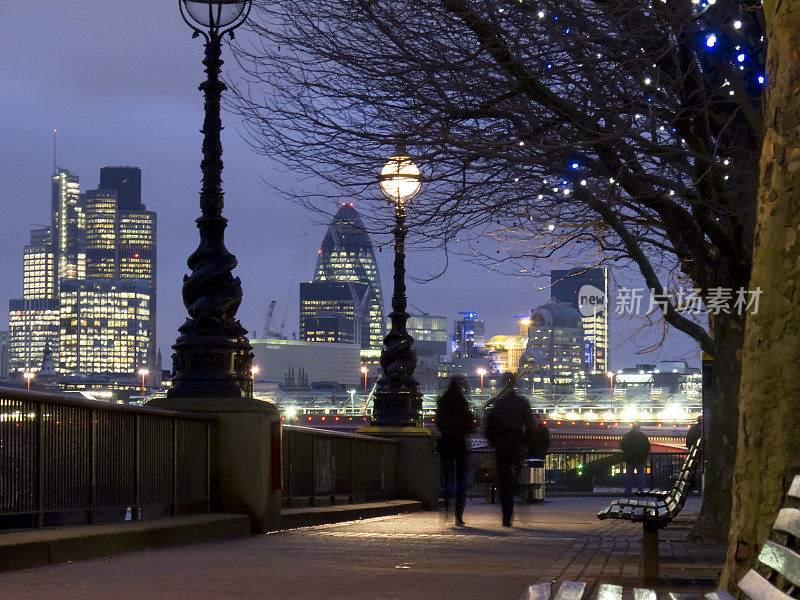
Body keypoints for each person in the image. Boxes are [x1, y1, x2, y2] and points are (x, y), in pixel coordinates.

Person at [485, 372, 536, 526]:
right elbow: (531, 427)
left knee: (504, 480)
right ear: (515, 384)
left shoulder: (499, 404)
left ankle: (507, 516)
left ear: (503, 384)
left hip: (501, 447)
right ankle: (519, 492)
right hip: (516, 446)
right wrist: (525, 443)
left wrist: (493, 442)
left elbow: (490, 427)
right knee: (516, 476)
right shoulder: (523, 403)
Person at [435, 376, 473, 526]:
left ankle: (446, 507)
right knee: (461, 480)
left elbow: (439, 424)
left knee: (446, 477)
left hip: (445, 443)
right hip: (459, 443)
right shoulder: (463, 403)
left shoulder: (442, 402)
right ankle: (459, 515)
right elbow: (469, 426)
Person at [620, 423, 650, 496]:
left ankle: (627, 492)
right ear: (639, 428)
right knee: (640, 477)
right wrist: (643, 454)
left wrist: (627, 453)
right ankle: (640, 492)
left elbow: (622, 445)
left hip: (630, 459)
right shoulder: (642, 436)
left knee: (629, 477)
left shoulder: (627, 436)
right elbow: (648, 447)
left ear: (632, 427)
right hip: (640, 459)